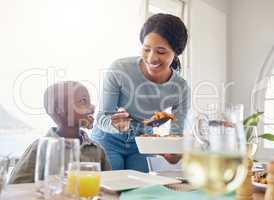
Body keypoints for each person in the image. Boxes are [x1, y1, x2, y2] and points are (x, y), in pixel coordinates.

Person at [91, 13, 190, 172]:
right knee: (109, 187)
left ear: (176, 52)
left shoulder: (181, 88)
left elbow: (175, 134)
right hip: (108, 139)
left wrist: (173, 151)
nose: (151, 58)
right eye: (147, 49)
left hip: (142, 144)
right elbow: (102, 117)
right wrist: (117, 125)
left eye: (161, 51)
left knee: (140, 190)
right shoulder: (120, 69)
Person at [9, 81, 111, 184]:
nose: (92, 107)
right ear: (60, 110)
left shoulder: (97, 150)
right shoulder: (40, 148)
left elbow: (110, 183)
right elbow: (15, 187)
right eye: (83, 101)